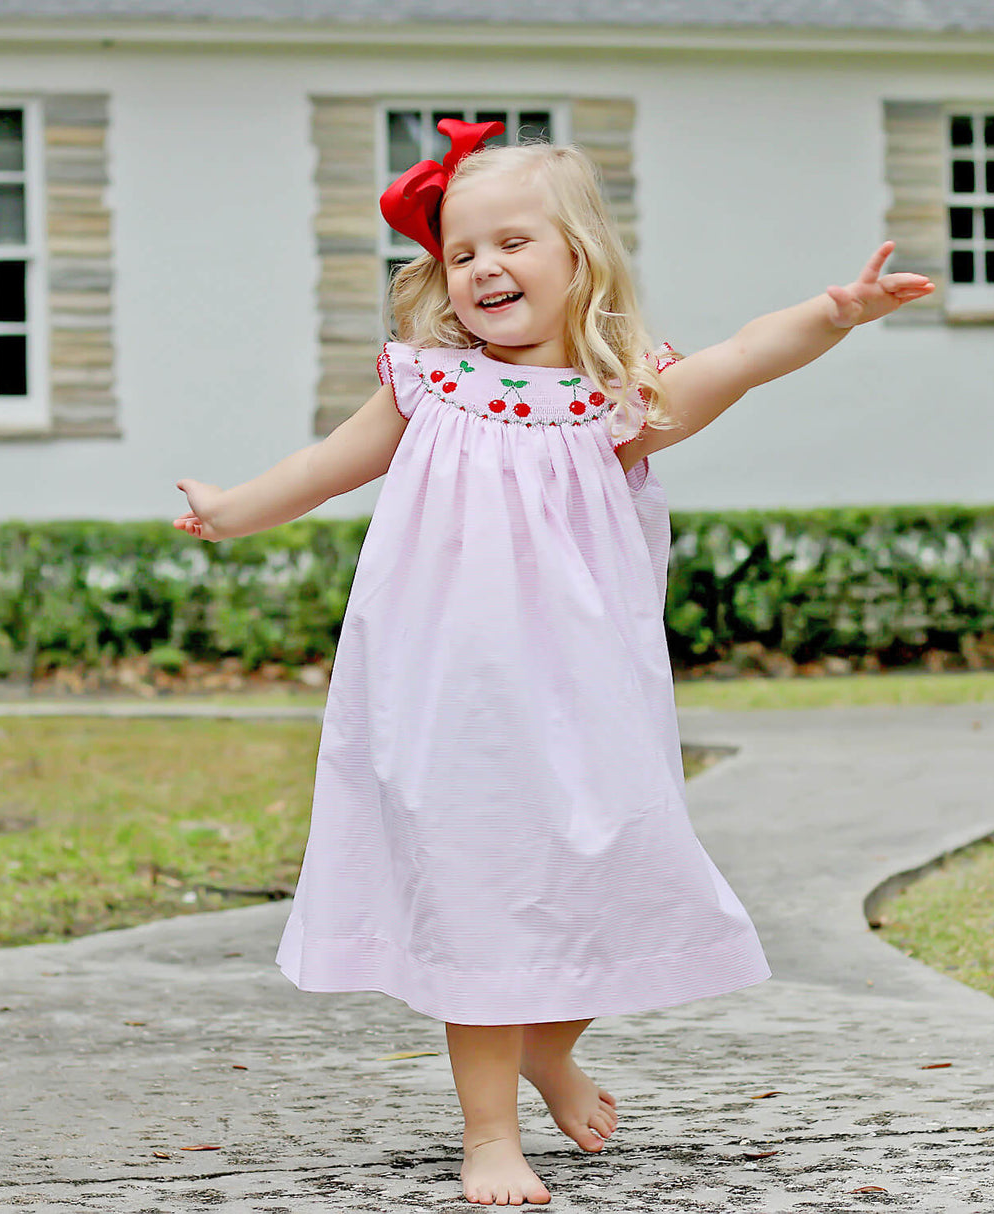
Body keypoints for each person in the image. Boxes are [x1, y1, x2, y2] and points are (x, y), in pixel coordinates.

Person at [173, 119, 935, 1207]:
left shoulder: (614, 401)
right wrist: (234, 509)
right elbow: (324, 465)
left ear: (578, 257)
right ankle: (490, 1136)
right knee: (479, 898)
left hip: (582, 703)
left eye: (511, 241)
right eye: (463, 248)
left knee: (623, 874)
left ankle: (548, 1045)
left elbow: (738, 361)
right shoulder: (428, 384)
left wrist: (829, 316)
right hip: (449, 703)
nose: (483, 265)